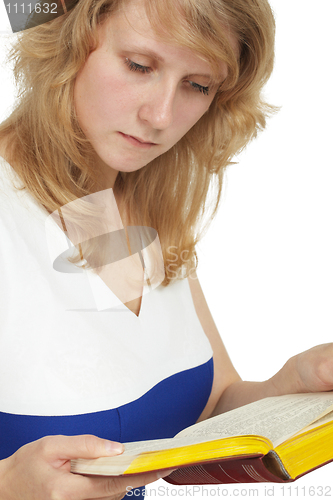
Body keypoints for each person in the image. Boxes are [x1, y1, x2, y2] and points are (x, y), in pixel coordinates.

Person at [0, 0, 333, 499]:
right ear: (66, 42)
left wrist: (290, 383)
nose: (160, 115)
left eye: (197, 85)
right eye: (139, 65)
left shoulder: (145, 208)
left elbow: (209, 404)